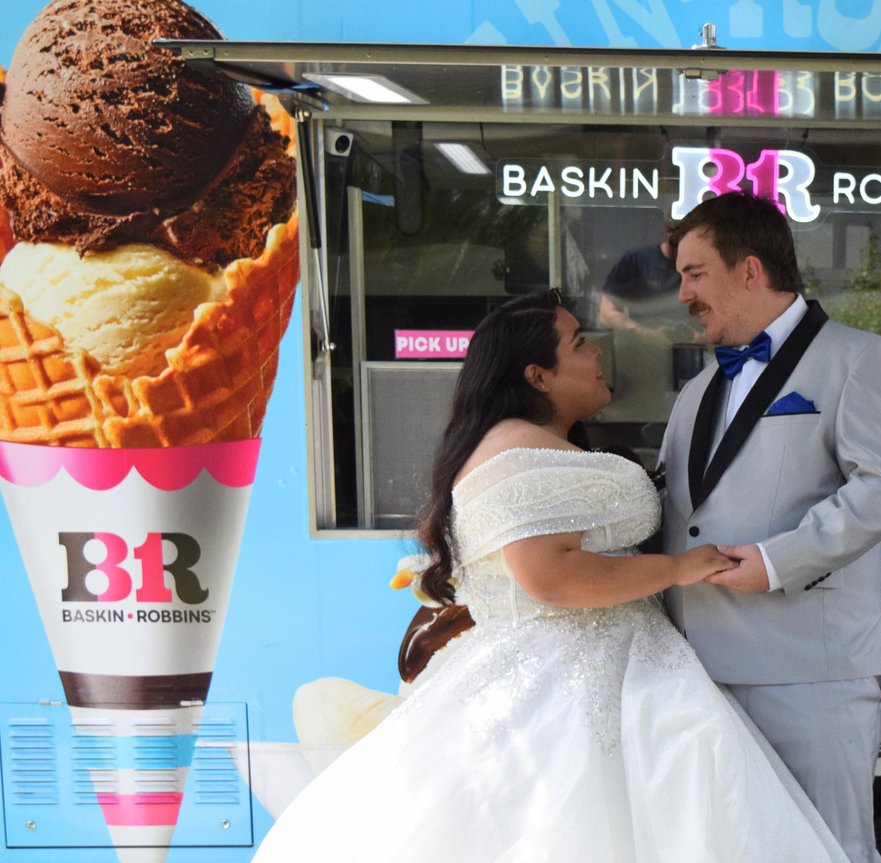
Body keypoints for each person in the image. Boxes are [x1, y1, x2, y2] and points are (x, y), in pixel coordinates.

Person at [253, 290, 848, 862]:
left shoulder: (529, 445)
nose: (597, 352)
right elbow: (550, 577)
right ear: (537, 375)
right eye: (579, 342)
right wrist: (678, 568)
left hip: (599, 670)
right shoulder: (515, 453)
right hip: (565, 685)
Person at [658, 192, 881, 863]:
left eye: (695, 274)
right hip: (701, 674)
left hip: (813, 673)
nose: (683, 294)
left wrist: (779, 561)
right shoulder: (696, 392)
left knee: (827, 850)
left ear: (750, 270)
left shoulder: (861, 358)